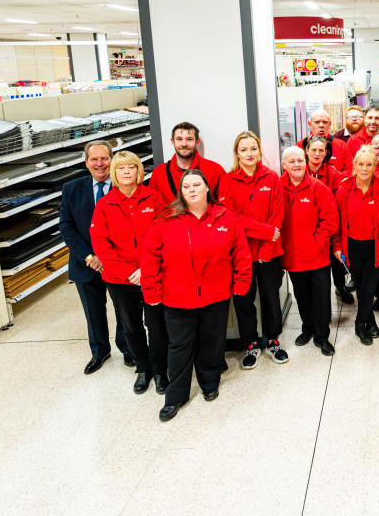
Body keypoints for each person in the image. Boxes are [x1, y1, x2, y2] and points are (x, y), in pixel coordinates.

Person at [141, 169, 252, 422]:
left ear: (206, 188)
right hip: (177, 297)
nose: (191, 190)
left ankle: (209, 382)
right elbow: (150, 258)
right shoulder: (165, 219)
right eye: (186, 186)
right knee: (179, 347)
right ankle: (176, 395)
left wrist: (242, 282)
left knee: (212, 342)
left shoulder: (226, 216)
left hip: (216, 294)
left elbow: (241, 253)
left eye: (196, 185)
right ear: (181, 191)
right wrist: (151, 289)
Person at [90, 151, 168, 394]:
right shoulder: (104, 205)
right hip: (120, 279)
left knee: (156, 325)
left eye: (131, 167)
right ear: (114, 173)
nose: (126, 172)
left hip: (152, 274)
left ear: (138, 171)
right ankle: (143, 368)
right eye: (121, 168)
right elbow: (101, 244)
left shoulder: (154, 198)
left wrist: (146, 269)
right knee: (131, 325)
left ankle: (159, 369)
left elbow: (165, 234)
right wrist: (128, 272)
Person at [217, 131, 288, 370]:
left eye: (253, 149)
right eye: (244, 150)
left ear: (260, 151)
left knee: (271, 299)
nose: (249, 154)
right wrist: (264, 231)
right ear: (237, 153)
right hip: (240, 254)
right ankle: (251, 344)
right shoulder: (227, 181)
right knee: (244, 301)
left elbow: (278, 215)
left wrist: (268, 244)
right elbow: (232, 218)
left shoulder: (271, 177)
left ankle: (272, 341)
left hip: (269, 252)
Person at [61, 141, 131, 374]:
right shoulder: (72, 189)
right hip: (86, 262)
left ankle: (128, 348)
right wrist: (90, 256)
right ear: (86, 162)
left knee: (124, 309)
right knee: (93, 311)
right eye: (94, 159)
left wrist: (107, 257)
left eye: (105, 158)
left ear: (113, 160)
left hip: (118, 262)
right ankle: (100, 351)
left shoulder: (124, 186)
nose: (100, 164)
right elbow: (67, 228)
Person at [332, 146, 379, 346]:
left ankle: (360, 324)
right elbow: (337, 221)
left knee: (368, 289)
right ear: (354, 166)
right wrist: (337, 246)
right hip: (352, 247)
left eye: (369, 165)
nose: (364, 168)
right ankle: (370, 320)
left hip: (375, 248)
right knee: (361, 288)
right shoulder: (344, 189)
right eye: (361, 164)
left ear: (375, 167)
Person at [279, 146, 339, 356]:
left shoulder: (317, 187)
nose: (297, 165)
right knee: (302, 297)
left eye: (300, 161)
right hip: (292, 256)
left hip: (317, 256)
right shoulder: (279, 188)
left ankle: (322, 336)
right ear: (284, 165)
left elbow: (330, 219)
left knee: (321, 299)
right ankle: (308, 328)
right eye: (292, 161)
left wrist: (317, 242)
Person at [303, 135, 351, 305]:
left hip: (329, 228)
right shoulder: (299, 171)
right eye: (313, 150)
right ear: (306, 151)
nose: (317, 153)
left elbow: (339, 205)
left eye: (321, 150)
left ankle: (341, 287)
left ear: (326, 153)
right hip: (306, 229)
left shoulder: (333, 174)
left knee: (337, 263)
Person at [149, 121, 226, 204]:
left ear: (197, 142)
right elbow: (153, 206)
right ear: (172, 142)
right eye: (179, 139)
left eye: (189, 139)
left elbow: (224, 207)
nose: (184, 144)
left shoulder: (215, 170)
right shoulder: (158, 173)